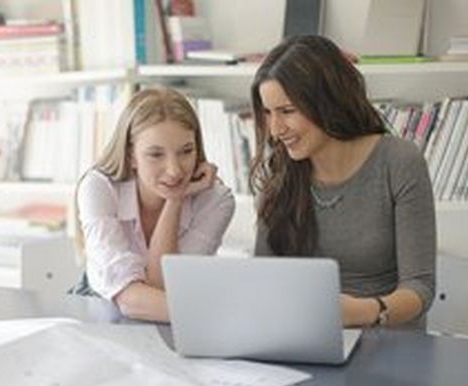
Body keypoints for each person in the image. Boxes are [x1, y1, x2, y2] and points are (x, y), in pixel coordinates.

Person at [249, 35, 436, 329]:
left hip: (387, 343)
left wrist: (365, 312)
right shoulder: (282, 172)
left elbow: (420, 288)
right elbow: (263, 279)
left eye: (287, 111)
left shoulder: (399, 161)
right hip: (305, 338)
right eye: (268, 113)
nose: (275, 130)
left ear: (327, 102)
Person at [73, 86, 235, 322]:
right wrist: (216, 317)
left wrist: (175, 200)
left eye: (186, 151)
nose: (175, 170)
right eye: (156, 154)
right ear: (131, 155)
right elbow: (128, 300)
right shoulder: (99, 187)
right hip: (101, 308)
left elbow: (165, 285)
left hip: (170, 314)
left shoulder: (215, 200)